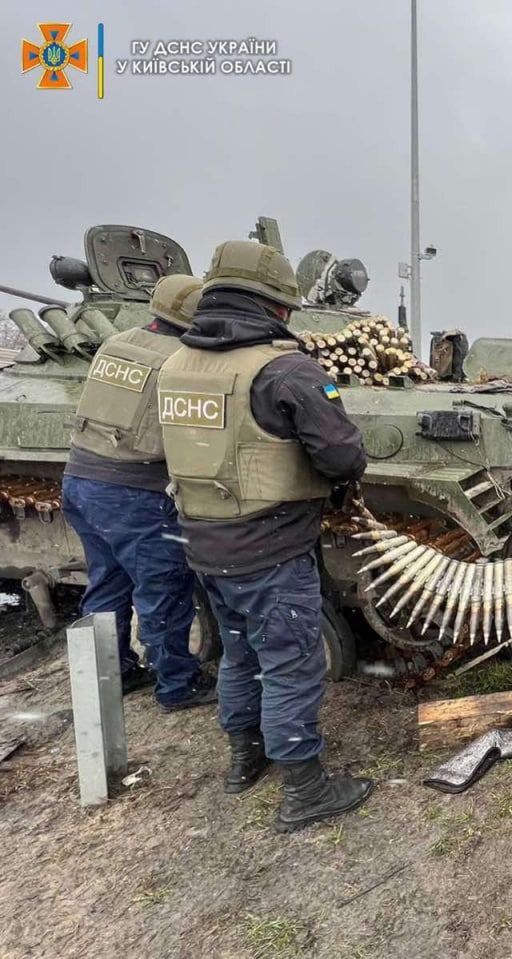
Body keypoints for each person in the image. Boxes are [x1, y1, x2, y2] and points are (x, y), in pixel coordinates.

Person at [157, 239, 373, 832]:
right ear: (279, 306)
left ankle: (242, 759)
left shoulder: (175, 364)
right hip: (270, 548)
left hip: (202, 542)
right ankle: (304, 790)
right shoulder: (285, 369)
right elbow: (343, 455)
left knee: (237, 653)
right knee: (290, 662)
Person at [62, 274, 216, 710]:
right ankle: (176, 686)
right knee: (162, 589)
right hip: (135, 491)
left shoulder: (117, 342)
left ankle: (114, 675)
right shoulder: (183, 361)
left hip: (81, 481)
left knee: (107, 583)